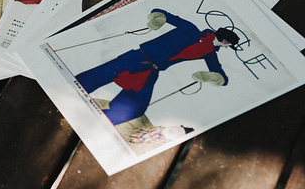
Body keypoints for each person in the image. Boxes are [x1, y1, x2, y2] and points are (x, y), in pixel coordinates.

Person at [75, 9, 239, 126]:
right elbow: (165, 14)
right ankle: (69, 93)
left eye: (228, 46)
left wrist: (214, 77)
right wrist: (158, 18)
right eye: (226, 44)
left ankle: (103, 123)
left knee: (136, 107)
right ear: (222, 38)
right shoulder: (191, 29)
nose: (225, 47)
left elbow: (218, 72)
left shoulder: (209, 52)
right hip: (137, 58)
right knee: (91, 79)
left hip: (152, 70)